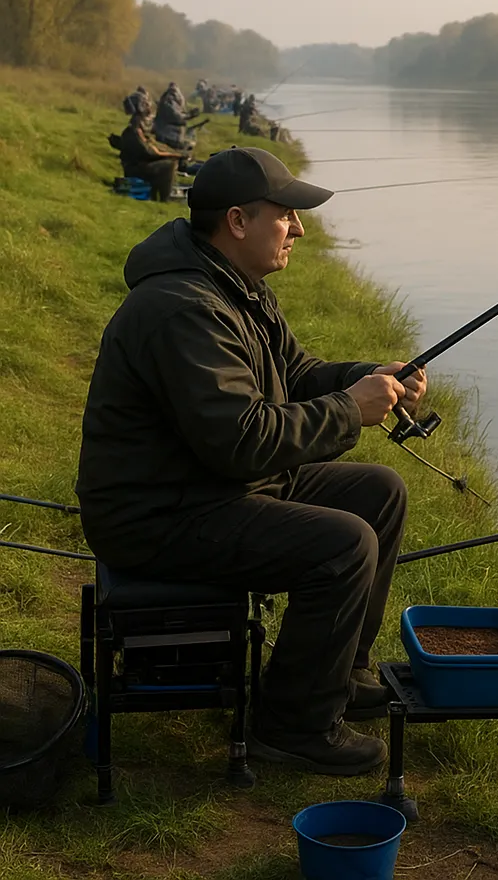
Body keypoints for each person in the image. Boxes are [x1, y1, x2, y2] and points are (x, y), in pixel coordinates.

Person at [76, 148, 427, 776]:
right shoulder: (183, 307)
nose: (298, 228)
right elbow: (241, 440)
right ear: (237, 221)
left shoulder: (237, 284)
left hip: (207, 484)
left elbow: (293, 375)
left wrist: (367, 377)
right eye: (286, 215)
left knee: (380, 492)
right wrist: (351, 409)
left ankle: (336, 675)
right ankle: (292, 728)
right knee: (343, 544)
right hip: (158, 513)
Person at [117, 91, 181, 202]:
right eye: (145, 104)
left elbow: (152, 148)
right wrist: (174, 155)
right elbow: (150, 152)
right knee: (169, 165)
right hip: (134, 169)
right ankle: (165, 199)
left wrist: (171, 153)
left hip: (139, 165)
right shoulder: (133, 131)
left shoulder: (137, 128)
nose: (148, 107)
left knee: (168, 161)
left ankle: (158, 193)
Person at [154, 82, 199, 151]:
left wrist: (189, 114)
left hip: (167, 131)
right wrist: (190, 115)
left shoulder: (169, 99)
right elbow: (176, 117)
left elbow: (179, 113)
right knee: (188, 144)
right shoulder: (169, 100)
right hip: (166, 134)